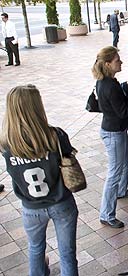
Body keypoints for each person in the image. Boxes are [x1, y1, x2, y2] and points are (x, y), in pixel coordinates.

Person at [0, 85, 78, 275]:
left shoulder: (5, 142)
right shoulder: (56, 136)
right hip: (62, 203)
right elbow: (70, 158)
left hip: (31, 207)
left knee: (35, 250)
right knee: (67, 254)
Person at [92, 46, 128, 228]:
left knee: (124, 163)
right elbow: (123, 111)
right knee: (114, 172)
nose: (120, 62)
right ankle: (106, 213)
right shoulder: (108, 85)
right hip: (113, 132)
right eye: (117, 60)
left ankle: (121, 190)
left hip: (116, 130)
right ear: (107, 64)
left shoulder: (107, 81)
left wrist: (125, 90)